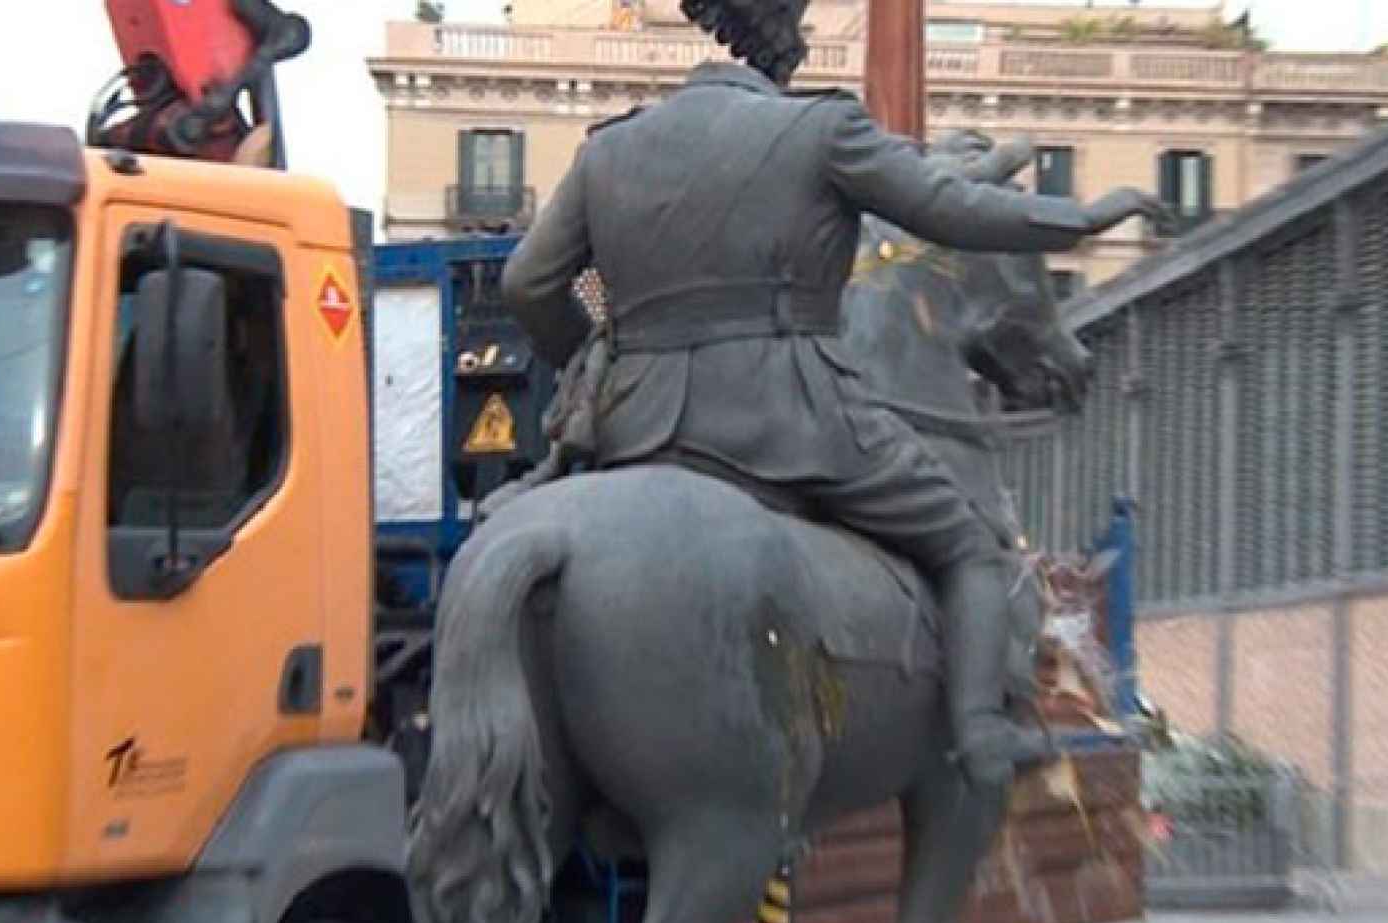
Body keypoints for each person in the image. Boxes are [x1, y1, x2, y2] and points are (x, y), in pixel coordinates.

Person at [497, 31, 1169, 788]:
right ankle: (982, 732)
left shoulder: (609, 148)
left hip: (636, 424)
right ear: (785, 44)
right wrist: (1081, 221)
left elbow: (526, 285)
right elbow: (955, 209)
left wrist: (599, 362)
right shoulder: (823, 130)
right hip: (794, 418)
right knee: (972, 550)